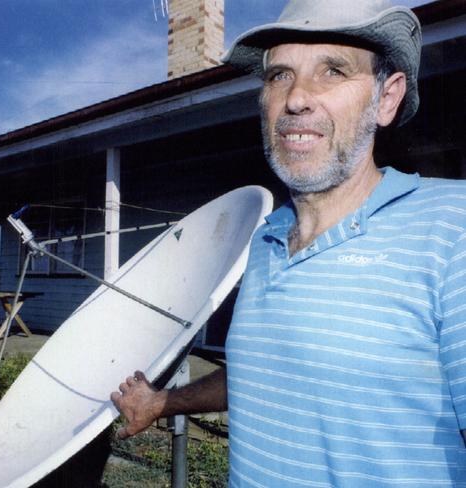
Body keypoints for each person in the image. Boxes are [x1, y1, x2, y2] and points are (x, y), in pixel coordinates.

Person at [111, 0, 466, 485]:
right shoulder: (266, 238)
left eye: (333, 70)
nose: (296, 97)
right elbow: (269, 372)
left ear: (387, 98)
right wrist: (162, 402)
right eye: (279, 75)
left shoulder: (453, 227)